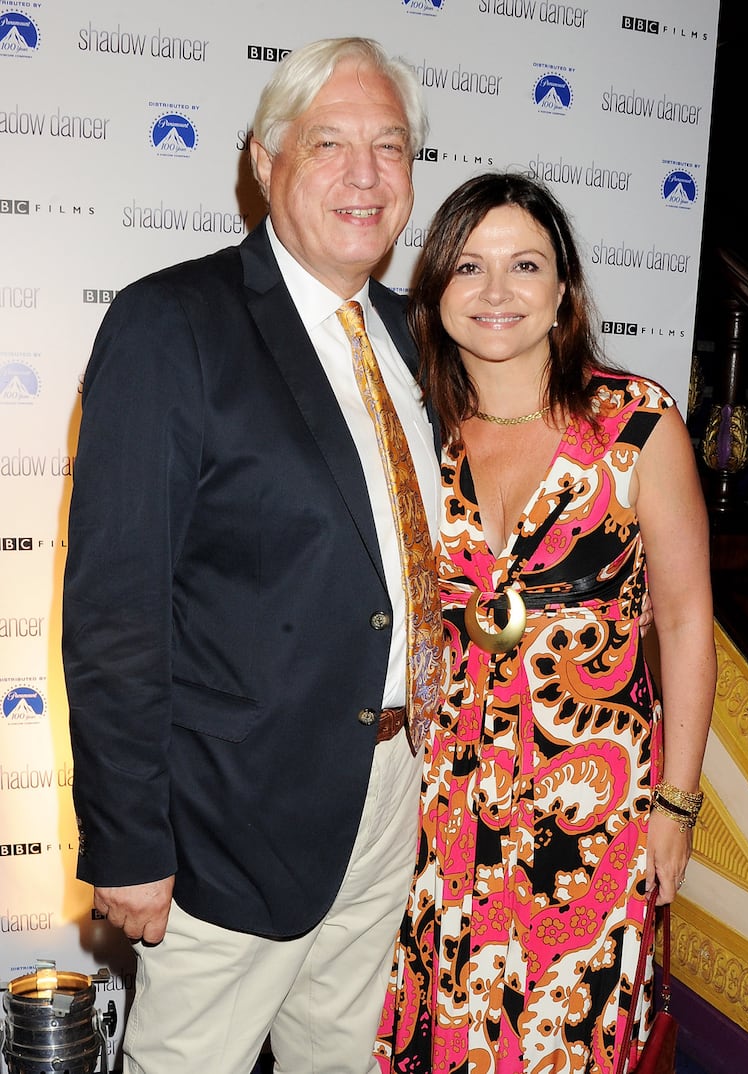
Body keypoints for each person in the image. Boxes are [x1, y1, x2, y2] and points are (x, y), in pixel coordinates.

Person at [62, 37, 443, 1074]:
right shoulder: (172, 323)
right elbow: (115, 608)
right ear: (265, 162)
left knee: (344, 1060)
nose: (366, 174)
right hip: (229, 814)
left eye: (390, 147)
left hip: (399, 794)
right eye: (330, 144)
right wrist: (129, 841)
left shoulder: (418, 337)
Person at [375, 172, 716, 1073]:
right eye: (468, 267)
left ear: (563, 289)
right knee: (448, 1026)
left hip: (595, 807)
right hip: (446, 798)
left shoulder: (635, 424)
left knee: (572, 1034)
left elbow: (687, 622)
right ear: (435, 290)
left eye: (524, 265)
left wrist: (677, 807)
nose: (496, 291)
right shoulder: (417, 432)